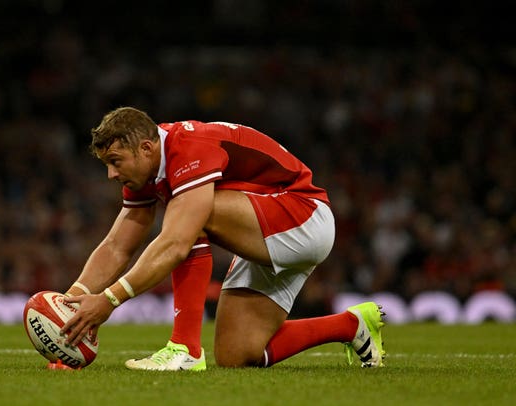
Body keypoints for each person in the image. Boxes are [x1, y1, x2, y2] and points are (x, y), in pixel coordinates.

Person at [58, 106, 385, 370]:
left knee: (189, 220)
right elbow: (117, 245)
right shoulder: (146, 170)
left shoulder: (187, 148)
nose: (111, 175)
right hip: (265, 229)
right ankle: (350, 325)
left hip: (303, 216)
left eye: (115, 162)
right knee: (236, 354)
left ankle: (184, 348)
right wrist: (70, 306)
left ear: (146, 148)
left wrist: (109, 300)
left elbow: (175, 244)